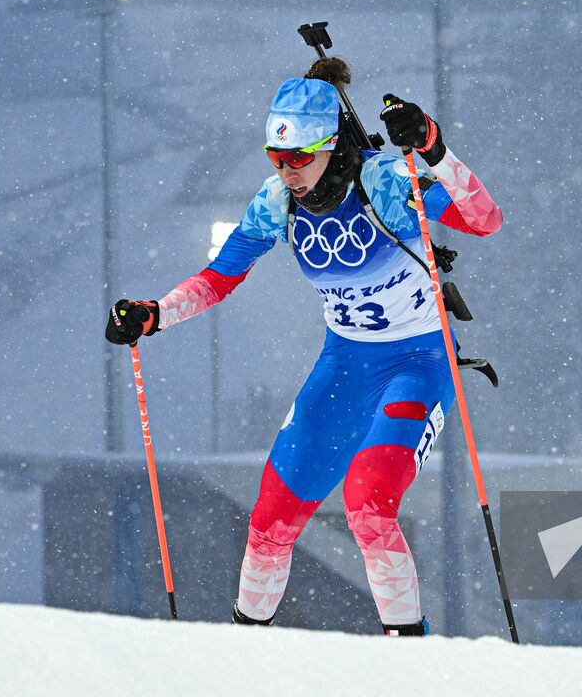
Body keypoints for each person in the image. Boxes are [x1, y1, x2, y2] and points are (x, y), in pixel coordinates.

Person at [104, 57, 502, 635]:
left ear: (332, 146)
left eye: (299, 158)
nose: (287, 171)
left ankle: (413, 661)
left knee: (368, 505)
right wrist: (155, 314)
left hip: (417, 362)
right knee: (270, 519)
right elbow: (219, 277)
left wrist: (433, 147)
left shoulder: (386, 183)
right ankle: (242, 654)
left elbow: (484, 220)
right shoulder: (277, 202)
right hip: (344, 365)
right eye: (276, 157)